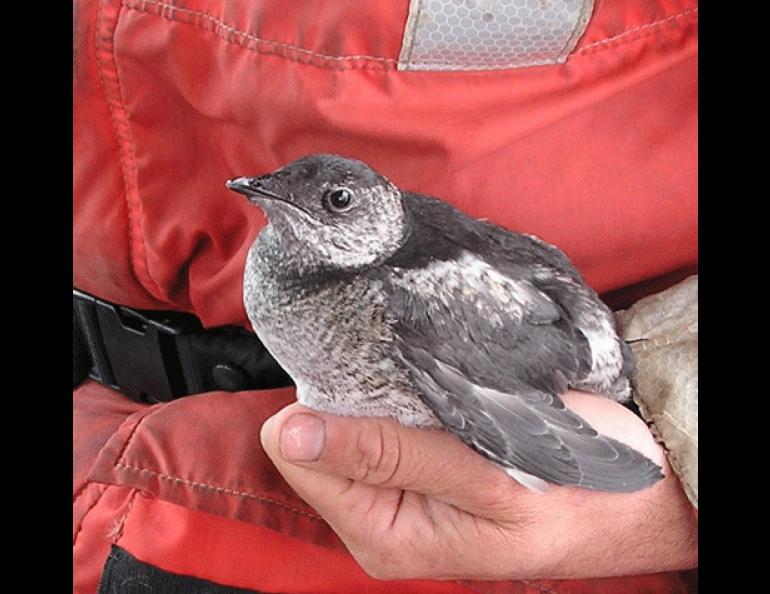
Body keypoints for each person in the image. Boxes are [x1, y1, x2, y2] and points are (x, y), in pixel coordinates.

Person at [73, 0, 698, 592]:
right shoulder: (292, 252)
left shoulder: (424, 300)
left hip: (486, 550)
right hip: (105, 461)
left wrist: (684, 477)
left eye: (338, 204)